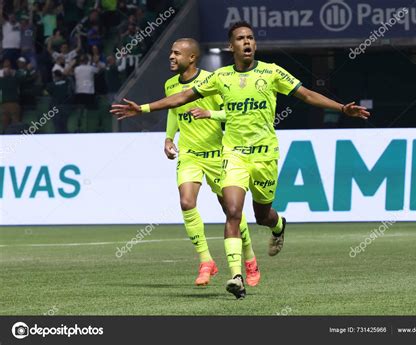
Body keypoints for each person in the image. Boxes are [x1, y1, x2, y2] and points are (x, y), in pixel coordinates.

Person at [111, 21, 370, 299]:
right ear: (230, 46)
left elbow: (306, 94)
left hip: (265, 156)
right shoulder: (220, 77)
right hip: (233, 155)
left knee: (262, 216)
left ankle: (279, 225)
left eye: (250, 38)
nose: (246, 42)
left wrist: (342, 107)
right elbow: (182, 97)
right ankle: (236, 276)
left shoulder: (271, 73)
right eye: (240, 38)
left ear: (254, 44)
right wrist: (144, 108)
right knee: (233, 211)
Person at [161, 38, 260, 287]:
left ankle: (249, 257)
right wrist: (169, 137)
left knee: (231, 211)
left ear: (192, 57)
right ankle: (206, 261)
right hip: (190, 155)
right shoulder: (170, 84)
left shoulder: (213, 81)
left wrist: (210, 113)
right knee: (186, 202)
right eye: (170, 53)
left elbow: (234, 112)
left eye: (176, 53)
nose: (171, 57)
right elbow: (174, 112)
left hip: (218, 154)